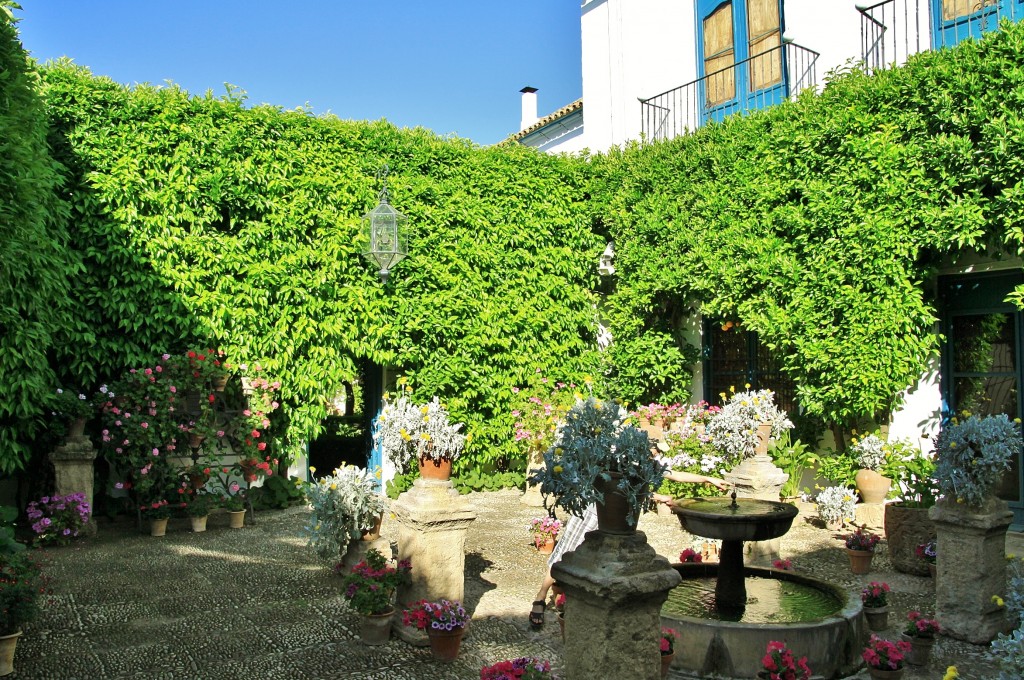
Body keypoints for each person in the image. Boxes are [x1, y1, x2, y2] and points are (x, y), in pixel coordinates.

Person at [528, 470, 729, 628]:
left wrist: (707, 479)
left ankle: (570, 600)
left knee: (597, 560)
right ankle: (541, 596)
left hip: (617, 521)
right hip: (592, 510)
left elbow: (675, 475)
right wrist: (657, 496)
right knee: (564, 554)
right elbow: (619, 486)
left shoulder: (650, 463)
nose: (655, 453)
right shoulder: (626, 458)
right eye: (654, 449)